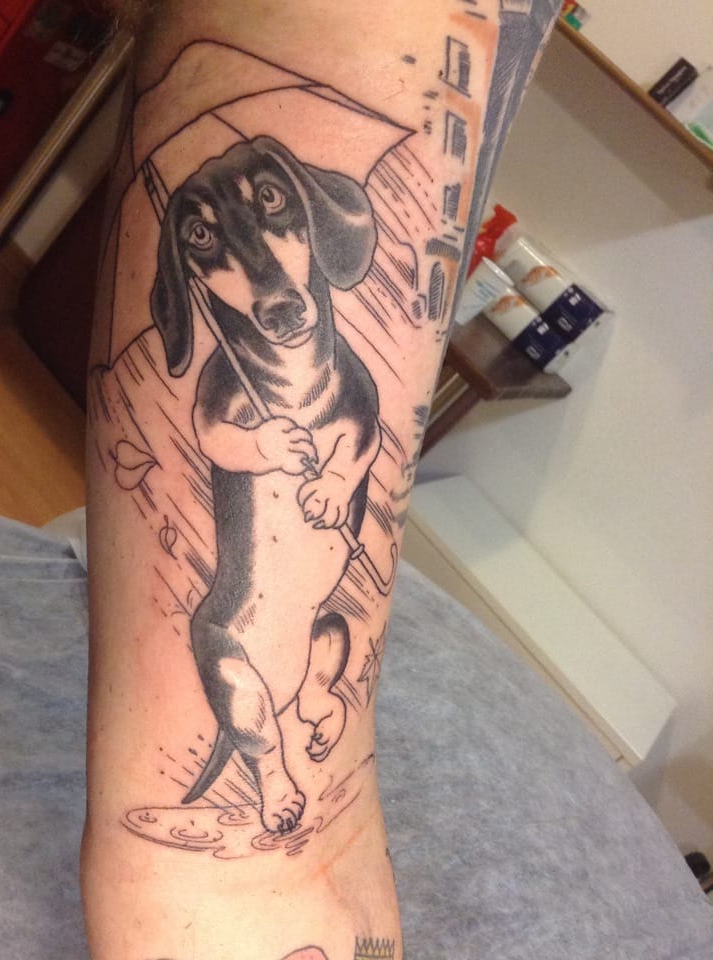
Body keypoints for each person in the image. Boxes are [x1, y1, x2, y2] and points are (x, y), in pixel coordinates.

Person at [82, 3, 558, 957]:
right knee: (229, 661)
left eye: (274, 215)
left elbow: (359, 431)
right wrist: (270, 871)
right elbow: (219, 438)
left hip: (316, 618)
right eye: (212, 249)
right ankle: (267, 780)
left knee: (322, 650)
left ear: (314, 217)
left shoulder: (345, 386)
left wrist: (336, 469)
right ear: (190, 279)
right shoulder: (228, 391)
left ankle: (308, 713)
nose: (265, 278)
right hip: (249, 616)